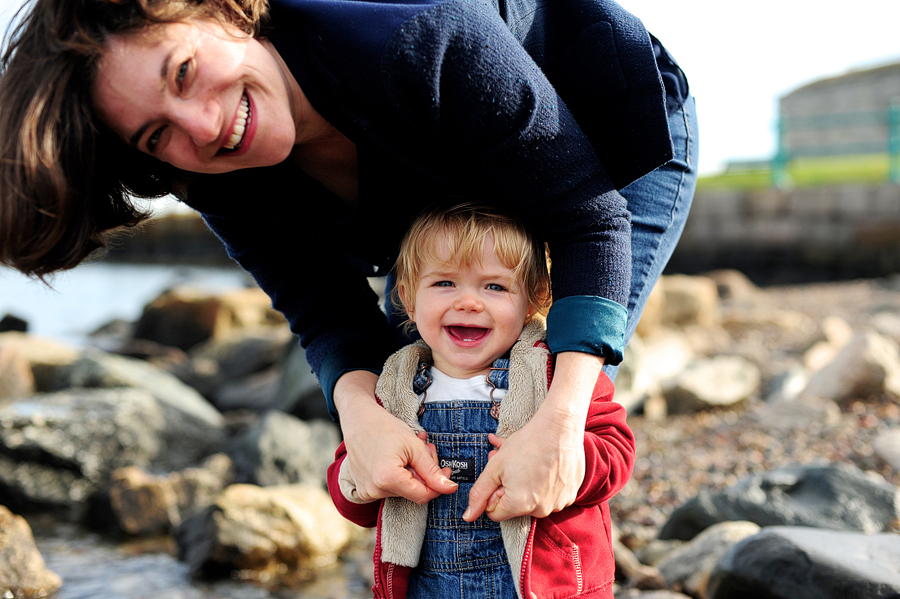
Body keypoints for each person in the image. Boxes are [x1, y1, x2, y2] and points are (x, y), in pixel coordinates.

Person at [0, 0, 697, 522]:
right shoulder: (212, 172)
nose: (204, 127)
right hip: (442, 188)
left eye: (183, 71)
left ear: (221, 10)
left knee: (551, 403)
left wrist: (561, 414)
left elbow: (588, 221)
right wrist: (361, 419)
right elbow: (326, 316)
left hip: (608, 147)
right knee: (420, 408)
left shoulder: (416, 38)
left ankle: (566, 572)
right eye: (157, 135)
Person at [327, 203, 635, 599]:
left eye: (494, 287)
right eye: (444, 284)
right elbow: (357, 501)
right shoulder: (393, 389)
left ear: (533, 298)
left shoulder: (553, 376)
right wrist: (358, 477)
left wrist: (572, 462)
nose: (469, 302)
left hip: (546, 588)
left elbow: (617, 450)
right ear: (406, 295)